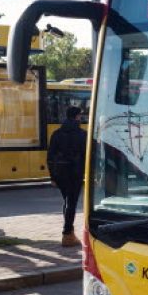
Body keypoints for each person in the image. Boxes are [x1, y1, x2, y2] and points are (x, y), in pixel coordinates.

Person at [48, 106, 87, 247]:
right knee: (71, 203)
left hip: (59, 173)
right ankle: (67, 234)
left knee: (67, 200)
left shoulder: (56, 134)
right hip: (75, 173)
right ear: (77, 117)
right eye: (80, 116)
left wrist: (52, 176)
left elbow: (50, 156)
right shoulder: (83, 135)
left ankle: (69, 232)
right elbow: (87, 156)